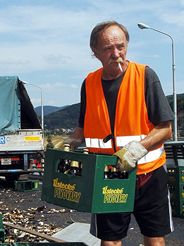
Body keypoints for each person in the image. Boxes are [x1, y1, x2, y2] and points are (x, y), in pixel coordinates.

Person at [71, 21, 174, 246]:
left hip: (149, 174)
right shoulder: (89, 83)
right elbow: (83, 126)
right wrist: (67, 142)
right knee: (110, 241)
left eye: (121, 46)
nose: (116, 53)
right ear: (95, 52)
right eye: (108, 48)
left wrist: (137, 149)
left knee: (155, 238)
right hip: (108, 175)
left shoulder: (145, 75)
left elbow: (166, 128)